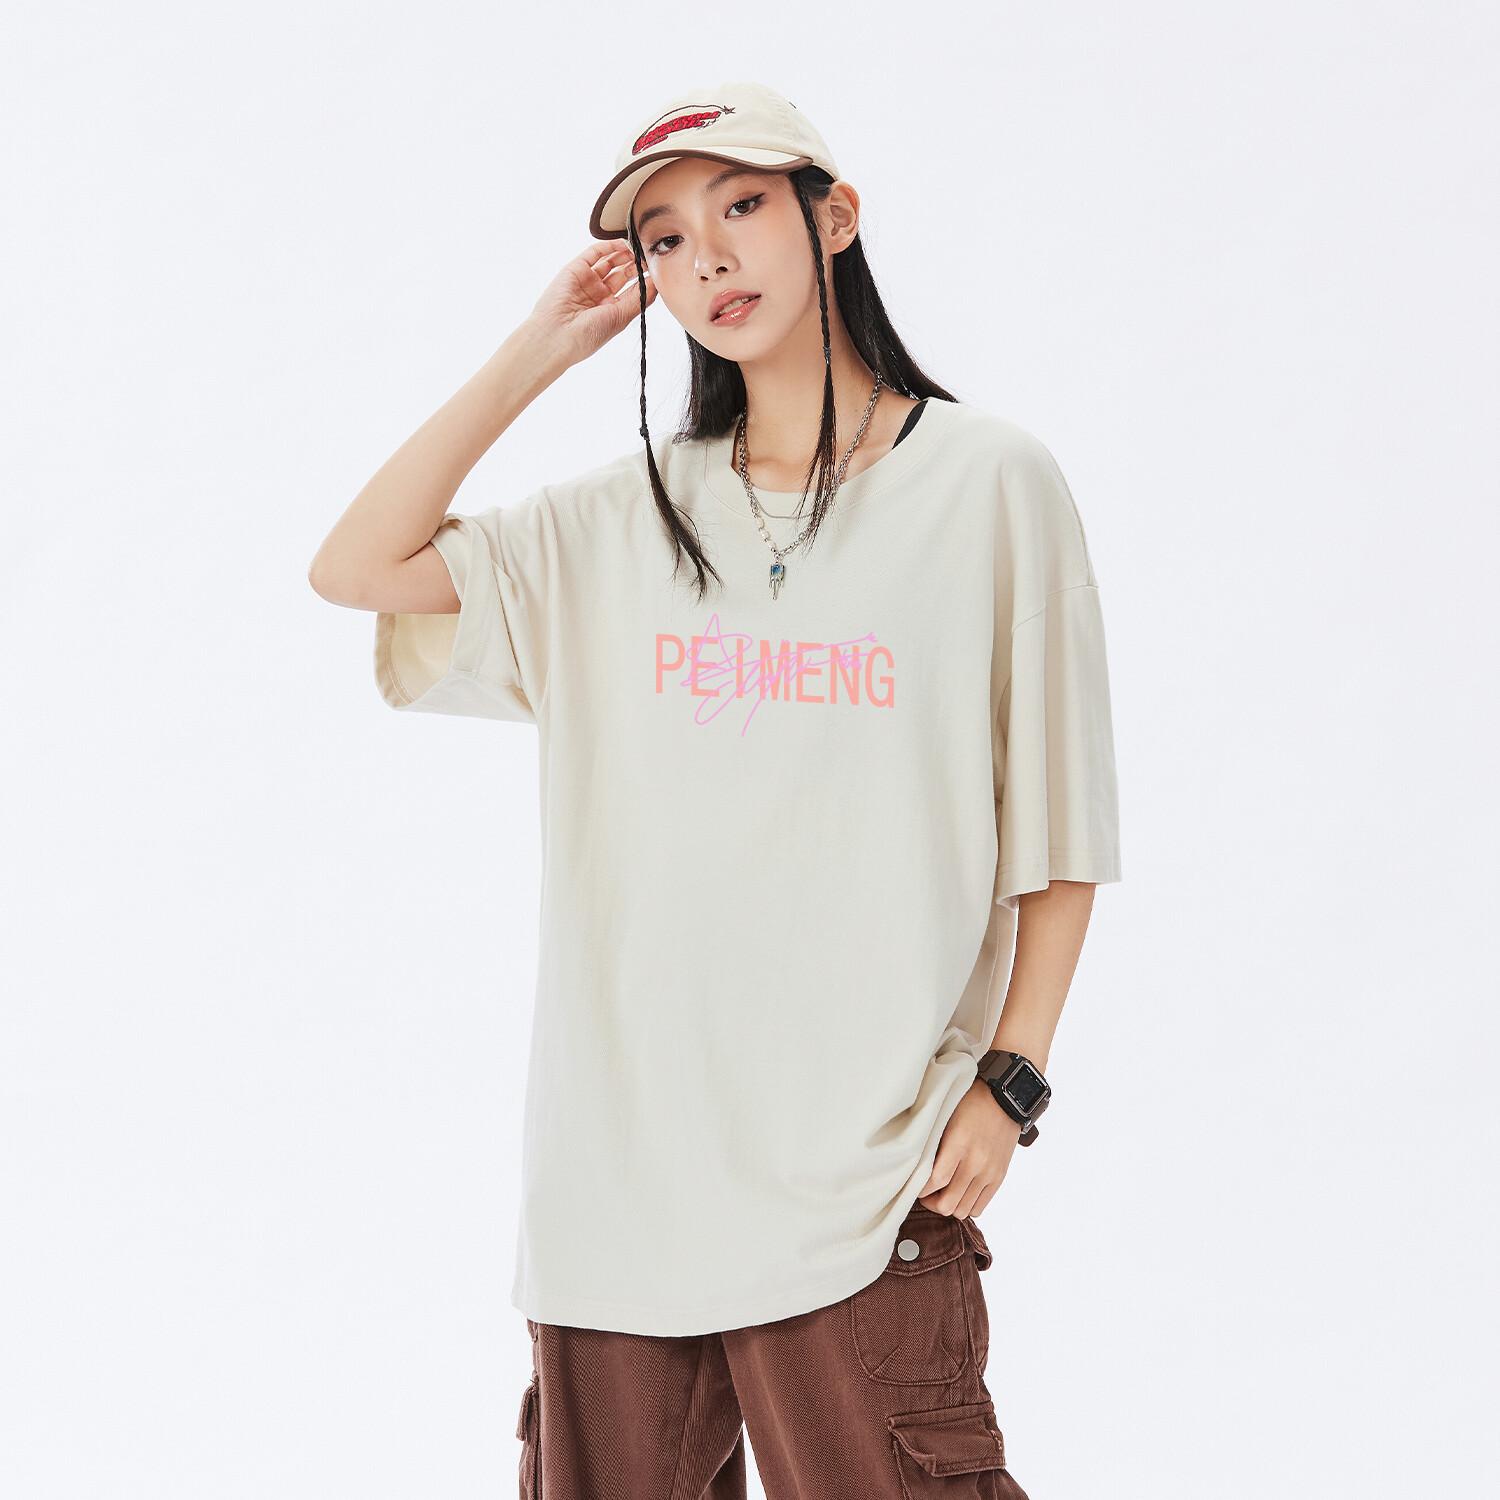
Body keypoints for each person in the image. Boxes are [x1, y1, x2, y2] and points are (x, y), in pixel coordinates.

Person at [310, 79, 1121, 1500]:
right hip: (616, 1198)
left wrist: (1012, 1083)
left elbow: (1058, 823)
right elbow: (357, 567)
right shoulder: (620, 520)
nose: (710, 260)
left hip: (867, 1181)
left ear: (836, 216)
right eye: (668, 240)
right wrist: (541, 350)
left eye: (742, 205)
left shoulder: (990, 484)